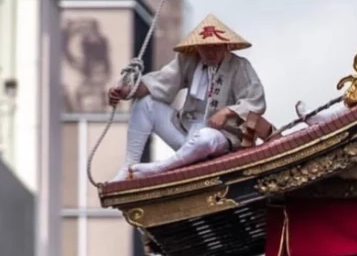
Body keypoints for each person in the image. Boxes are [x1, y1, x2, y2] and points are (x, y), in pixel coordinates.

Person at [110, 14, 266, 179]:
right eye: (205, 47)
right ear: (197, 47)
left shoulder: (239, 66)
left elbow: (255, 101)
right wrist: (124, 91)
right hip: (186, 129)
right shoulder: (189, 61)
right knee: (145, 103)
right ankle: (128, 166)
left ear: (225, 45)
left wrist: (227, 111)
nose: (210, 52)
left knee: (206, 138)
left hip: (220, 136)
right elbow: (158, 83)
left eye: (216, 47)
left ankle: (160, 168)